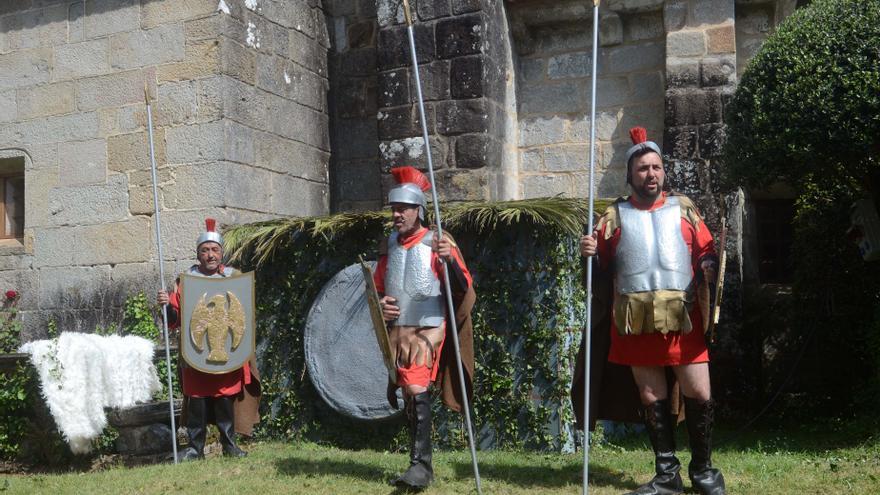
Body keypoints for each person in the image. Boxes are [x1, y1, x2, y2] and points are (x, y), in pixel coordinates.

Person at [577, 128, 726, 495]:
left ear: (664, 172)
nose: (651, 174)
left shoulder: (685, 209)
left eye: (656, 167)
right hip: (634, 321)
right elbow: (599, 272)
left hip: (682, 319)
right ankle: (667, 474)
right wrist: (588, 255)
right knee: (651, 397)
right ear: (630, 175)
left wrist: (709, 262)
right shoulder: (612, 217)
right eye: (643, 168)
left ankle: (704, 471)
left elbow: (705, 249)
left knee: (700, 392)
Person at [372, 166, 476, 490]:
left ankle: (420, 467)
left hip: (428, 331)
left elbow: (463, 287)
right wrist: (382, 305)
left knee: (417, 389)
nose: (397, 214)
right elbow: (377, 289)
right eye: (394, 209)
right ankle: (419, 463)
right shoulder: (389, 245)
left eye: (403, 209)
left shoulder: (438, 242)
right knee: (408, 393)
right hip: (398, 331)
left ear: (418, 210)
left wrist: (448, 261)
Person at [157, 218, 261, 461]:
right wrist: (166, 305)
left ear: (221, 253)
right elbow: (175, 317)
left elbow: (243, 313)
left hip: (225, 349)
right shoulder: (186, 280)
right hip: (197, 349)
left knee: (225, 398)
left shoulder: (233, 277)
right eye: (205, 250)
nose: (210, 255)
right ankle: (195, 448)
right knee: (197, 400)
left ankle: (229, 445)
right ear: (198, 254)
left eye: (214, 250)